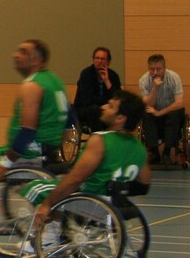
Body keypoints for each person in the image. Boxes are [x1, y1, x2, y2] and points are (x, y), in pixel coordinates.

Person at [22, 90, 151, 249]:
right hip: (115, 205)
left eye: (110, 106)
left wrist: (47, 205)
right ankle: (63, 230)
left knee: (36, 188)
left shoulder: (101, 140)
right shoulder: (139, 148)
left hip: (90, 203)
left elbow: (76, 179)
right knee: (62, 185)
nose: (103, 107)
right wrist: (116, 188)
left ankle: (49, 236)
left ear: (120, 118)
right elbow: (144, 185)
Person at [0, 39, 69, 181]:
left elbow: (28, 131)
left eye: (23, 52)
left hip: (30, 154)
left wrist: (5, 163)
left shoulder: (32, 85)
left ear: (37, 60)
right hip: (48, 151)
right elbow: (68, 122)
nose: (15, 55)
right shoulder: (56, 82)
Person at [138, 54, 185, 164]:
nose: (155, 72)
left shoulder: (174, 77)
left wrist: (160, 113)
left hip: (170, 111)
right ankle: (154, 152)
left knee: (174, 114)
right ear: (148, 68)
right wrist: (154, 88)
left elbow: (179, 103)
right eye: (152, 69)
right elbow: (148, 104)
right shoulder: (144, 80)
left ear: (164, 68)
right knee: (146, 114)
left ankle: (167, 153)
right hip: (154, 112)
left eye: (158, 69)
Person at [73, 47, 122, 133]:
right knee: (95, 109)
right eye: (97, 58)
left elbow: (117, 97)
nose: (99, 61)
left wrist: (107, 81)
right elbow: (87, 99)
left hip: (106, 109)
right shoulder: (86, 74)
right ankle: (98, 137)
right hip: (84, 109)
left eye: (102, 59)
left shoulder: (113, 76)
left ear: (108, 62)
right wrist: (105, 104)